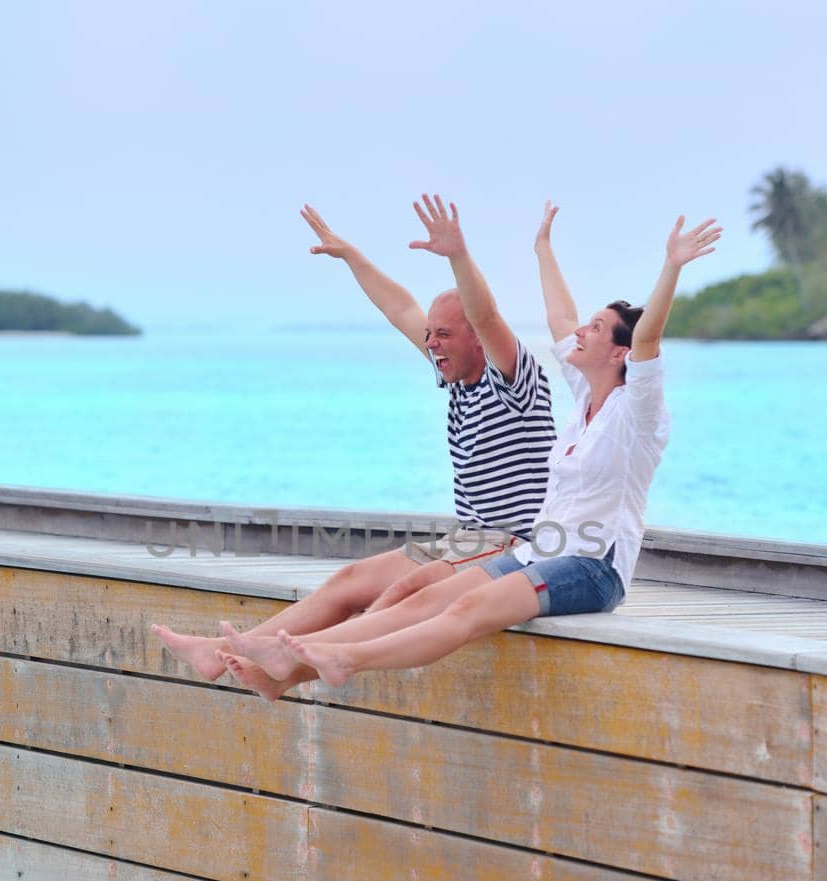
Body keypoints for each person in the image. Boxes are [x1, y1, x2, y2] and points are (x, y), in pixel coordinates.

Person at [218, 198, 720, 698]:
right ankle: (288, 661)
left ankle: (338, 658)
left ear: (619, 352)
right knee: (423, 601)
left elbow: (644, 335)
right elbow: (556, 314)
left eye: (594, 328)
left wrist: (671, 267)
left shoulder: (638, 410)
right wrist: (542, 247)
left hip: (591, 566)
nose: (578, 332)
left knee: (459, 610)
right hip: (537, 553)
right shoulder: (583, 396)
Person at [151, 199, 558, 682]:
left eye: (443, 334)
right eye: (430, 335)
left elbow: (487, 314)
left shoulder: (514, 380)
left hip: (514, 545)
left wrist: (458, 257)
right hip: (467, 541)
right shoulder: (452, 375)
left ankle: (262, 664)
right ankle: (231, 657)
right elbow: (399, 306)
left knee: (396, 601)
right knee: (349, 582)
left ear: (477, 339)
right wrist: (352, 258)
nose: (431, 344)